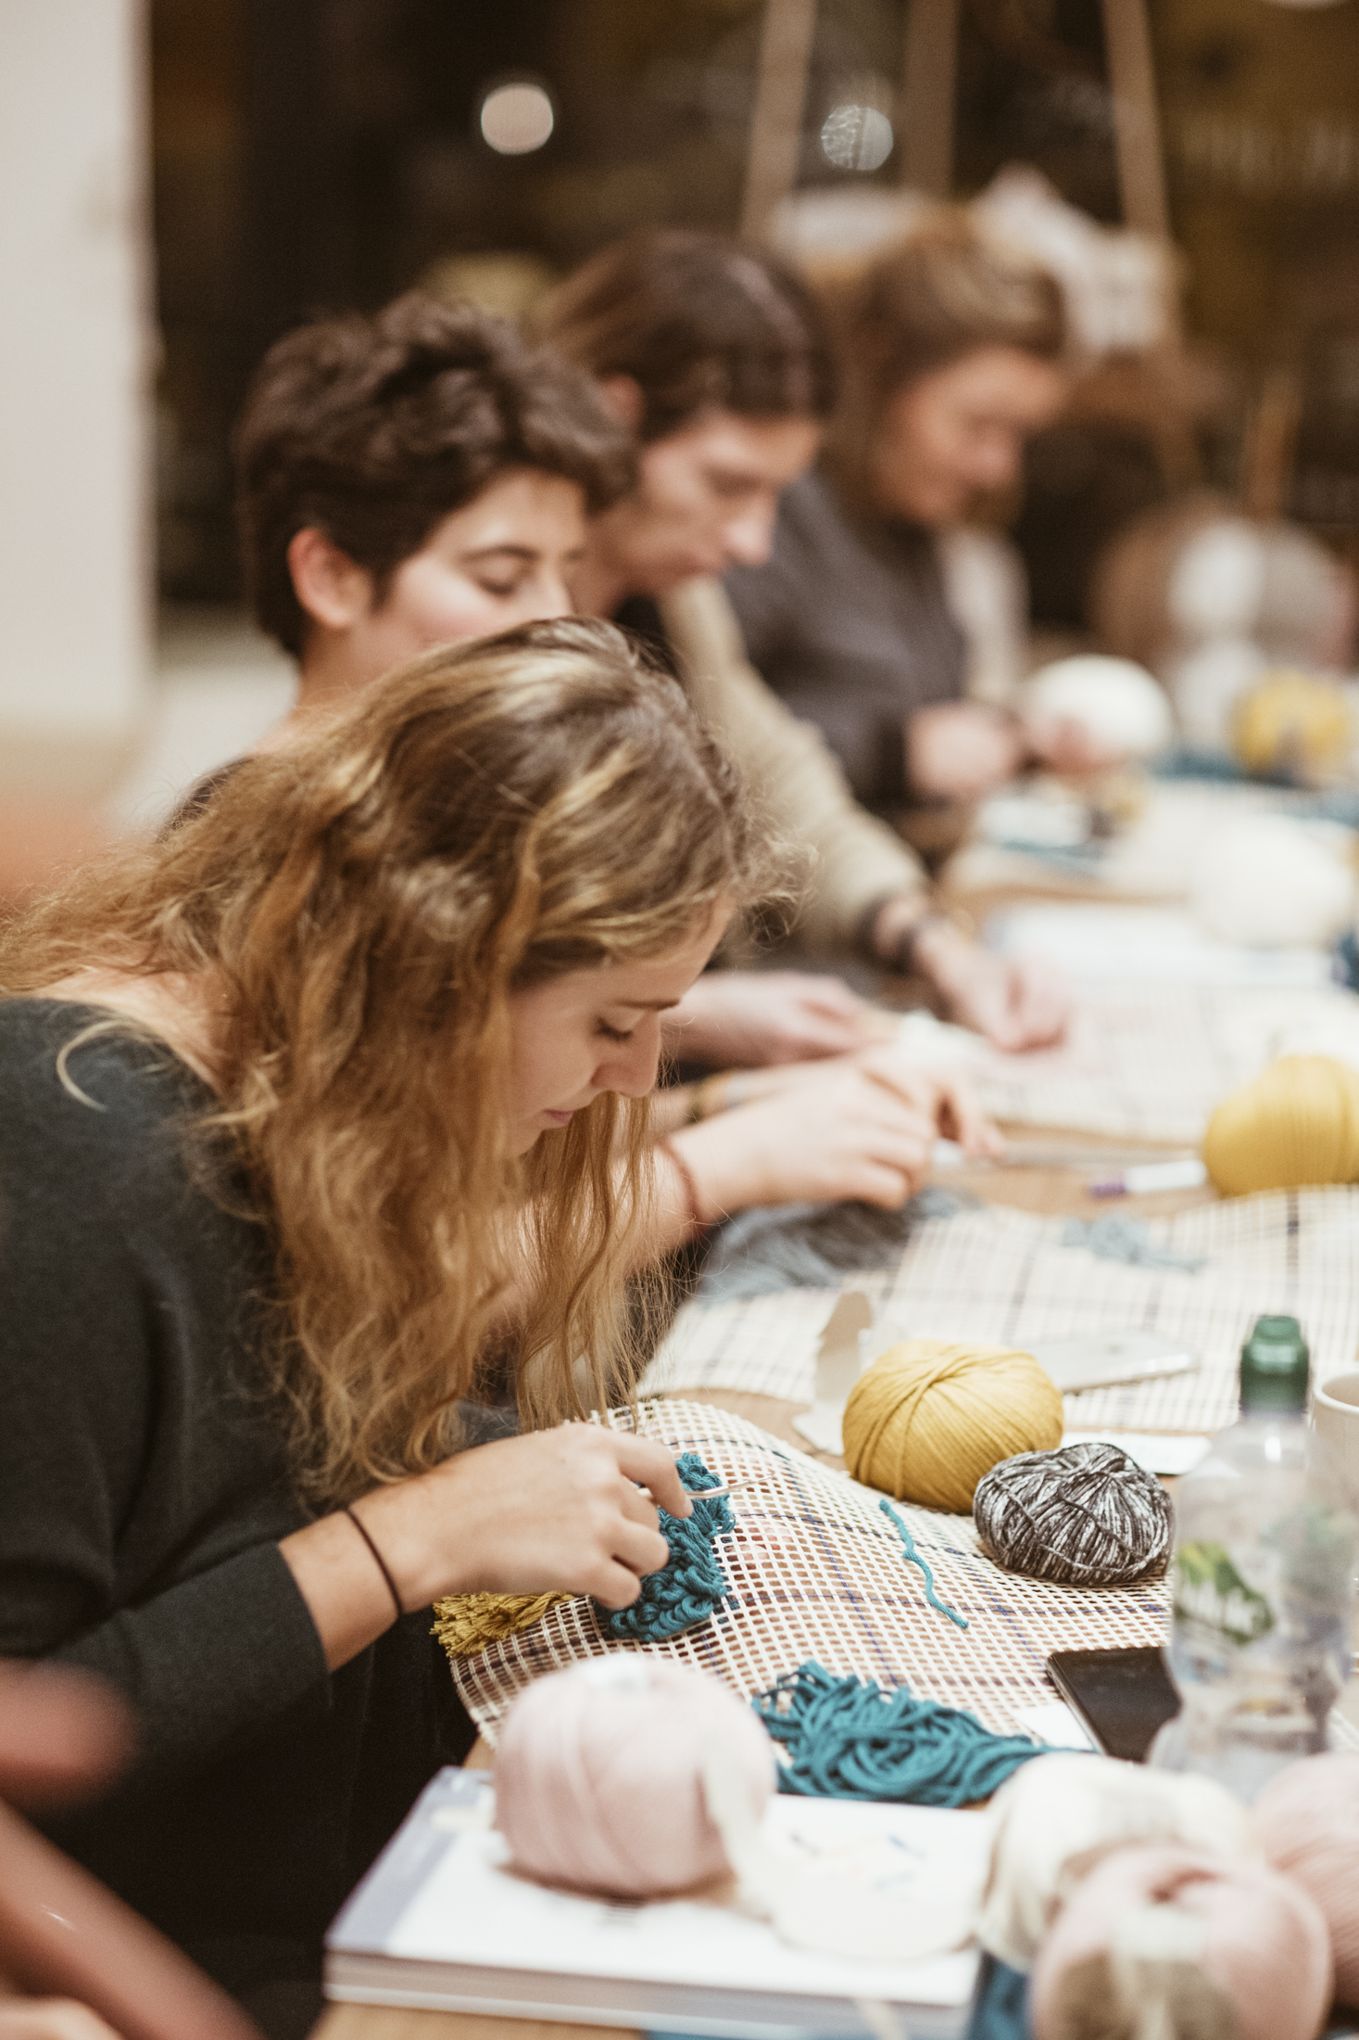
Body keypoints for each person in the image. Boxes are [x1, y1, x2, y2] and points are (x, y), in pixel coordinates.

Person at [0, 619, 783, 2038]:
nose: (638, 1077)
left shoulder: (303, 1107)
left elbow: (234, 1470)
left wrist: (500, 1470)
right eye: (613, 1020)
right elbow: (39, 1737)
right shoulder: (69, 1167)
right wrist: (419, 1534)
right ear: (443, 963)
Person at [228, 288, 998, 1215]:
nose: (556, 618)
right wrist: (730, 1157)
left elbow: (494, 1156)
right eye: (502, 577)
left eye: (567, 571)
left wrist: (740, 1101)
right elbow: (398, 1268)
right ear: (331, 576)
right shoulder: (272, 861)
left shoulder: (426, 812)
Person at [543, 227, 1069, 1053]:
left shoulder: (674, 596)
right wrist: (696, 1021)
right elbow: (458, 987)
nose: (754, 543)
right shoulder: (493, 623)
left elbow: (776, 782)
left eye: (773, 495)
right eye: (727, 484)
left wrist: (930, 942)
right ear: (612, 421)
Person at [725, 211, 1087, 820]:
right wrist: (891, 753)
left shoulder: (908, 525)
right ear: (881, 374)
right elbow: (694, 737)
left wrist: (1015, 735)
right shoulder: (767, 515)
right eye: (978, 424)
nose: (998, 468)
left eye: (1020, 435)